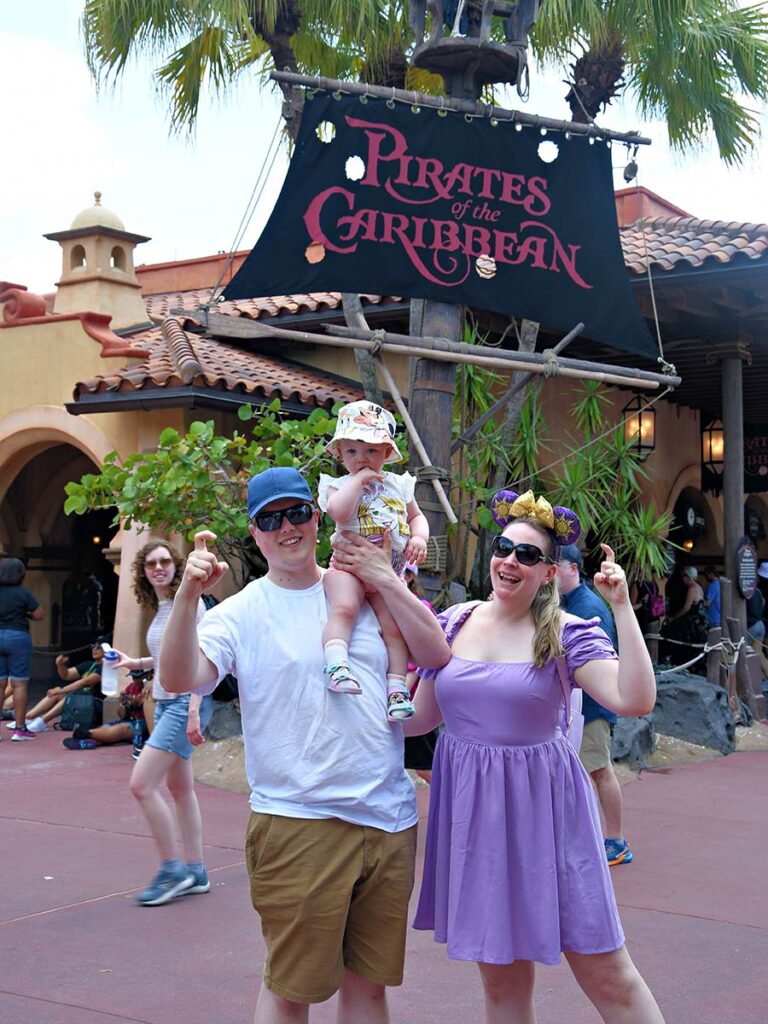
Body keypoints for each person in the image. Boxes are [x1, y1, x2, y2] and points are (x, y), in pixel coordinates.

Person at [158, 466, 450, 1024]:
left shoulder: (362, 588)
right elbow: (179, 677)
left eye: (297, 512)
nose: (286, 527)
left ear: (318, 514)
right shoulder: (243, 610)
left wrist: (386, 577)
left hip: (388, 819)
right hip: (299, 821)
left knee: (368, 991)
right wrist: (188, 595)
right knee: (293, 990)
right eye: (270, 519)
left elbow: (435, 655)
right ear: (254, 531)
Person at [408, 489, 665, 1024]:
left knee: (607, 974)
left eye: (528, 555)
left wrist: (622, 607)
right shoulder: (453, 623)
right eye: (505, 547)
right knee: (502, 981)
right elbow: (418, 720)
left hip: (548, 815)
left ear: (549, 572)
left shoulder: (565, 634)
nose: (510, 561)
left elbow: (635, 699)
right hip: (476, 819)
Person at [112, 540, 213, 907]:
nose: (159, 567)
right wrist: (133, 662)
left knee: (142, 784)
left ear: (177, 565)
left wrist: (193, 710)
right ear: (144, 570)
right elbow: (166, 655)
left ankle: (173, 869)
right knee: (181, 789)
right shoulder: (164, 608)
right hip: (172, 701)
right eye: (152, 562)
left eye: (165, 561)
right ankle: (197, 870)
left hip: (185, 703)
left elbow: (205, 654)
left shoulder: (191, 602)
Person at [317, 400, 429, 721]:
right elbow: (338, 512)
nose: (362, 459)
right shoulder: (339, 485)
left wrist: (419, 538)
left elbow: (416, 516)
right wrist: (358, 481)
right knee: (346, 607)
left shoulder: (398, 484)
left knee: (394, 630)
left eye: (371, 451)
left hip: (387, 576)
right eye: (352, 451)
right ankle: (337, 664)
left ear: (385, 452)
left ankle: (396, 690)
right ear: (340, 454)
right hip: (348, 569)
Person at [555, 544, 632, 866]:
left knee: (598, 770)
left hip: (592, 707)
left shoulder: (586, 605)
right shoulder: (567, 602)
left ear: (572, 568)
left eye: (553, 563)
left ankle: (616, 841)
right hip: (575, 706)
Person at [17, 638, 106, 734]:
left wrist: (62, 690)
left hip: (96, 703)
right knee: (58, 693)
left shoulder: (106, 667)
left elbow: (86, 682)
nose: (94, 649)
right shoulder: (89, 664)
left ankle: (42, 722)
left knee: (69, 696)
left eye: (99, 647)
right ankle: (27, 718)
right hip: (82, 701)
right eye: (93, 646)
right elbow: (66, 675)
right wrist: (60, 665)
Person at [0, 557, 44, 741]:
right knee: (19, 683)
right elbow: (39, 614)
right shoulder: (23, 592)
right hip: (18, 636)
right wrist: (24, 614)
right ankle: (20, 729)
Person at [63, 665, 151, 757]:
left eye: (138, 677)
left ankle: (86, 734)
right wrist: (124, 704)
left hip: (143, 722)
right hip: (128, 719)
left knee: (122, 729)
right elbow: (120, 714)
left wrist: (138, 702)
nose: (135, 680)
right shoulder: (131, 688)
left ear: (146, 676)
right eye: (133, 677)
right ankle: (89, 740)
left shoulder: (149, 688)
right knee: (105, 728)